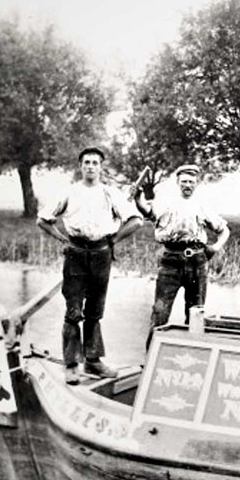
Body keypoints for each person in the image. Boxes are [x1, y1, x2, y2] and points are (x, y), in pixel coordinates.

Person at [37, 147, 143, 385]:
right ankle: (72, 364)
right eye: (86, 162)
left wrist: (113, 240)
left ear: (101, 167)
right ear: (80, 166)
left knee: (95, 309)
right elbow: (42, 220)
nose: (91, 166)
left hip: (101, 254)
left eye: (95, 162)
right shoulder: (69, 192)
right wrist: (63, 239)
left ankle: (93, 361)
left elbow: (136, 221)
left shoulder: (110, 193)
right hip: (75, 254)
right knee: (73, 310)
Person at [135, 164, 230, 350]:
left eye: (191, 182)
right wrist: (138, 197)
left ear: (196, 184)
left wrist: (215, 247)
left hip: (197, 262)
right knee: (160, 310)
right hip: (171, 260)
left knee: (196, 311)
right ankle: (150, 358)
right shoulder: (165, 203)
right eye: (184, 181)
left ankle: (192, 357)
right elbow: (146, 211)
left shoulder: (202, 206)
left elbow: (224, 230)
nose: (188, 185)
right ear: (178, 183)